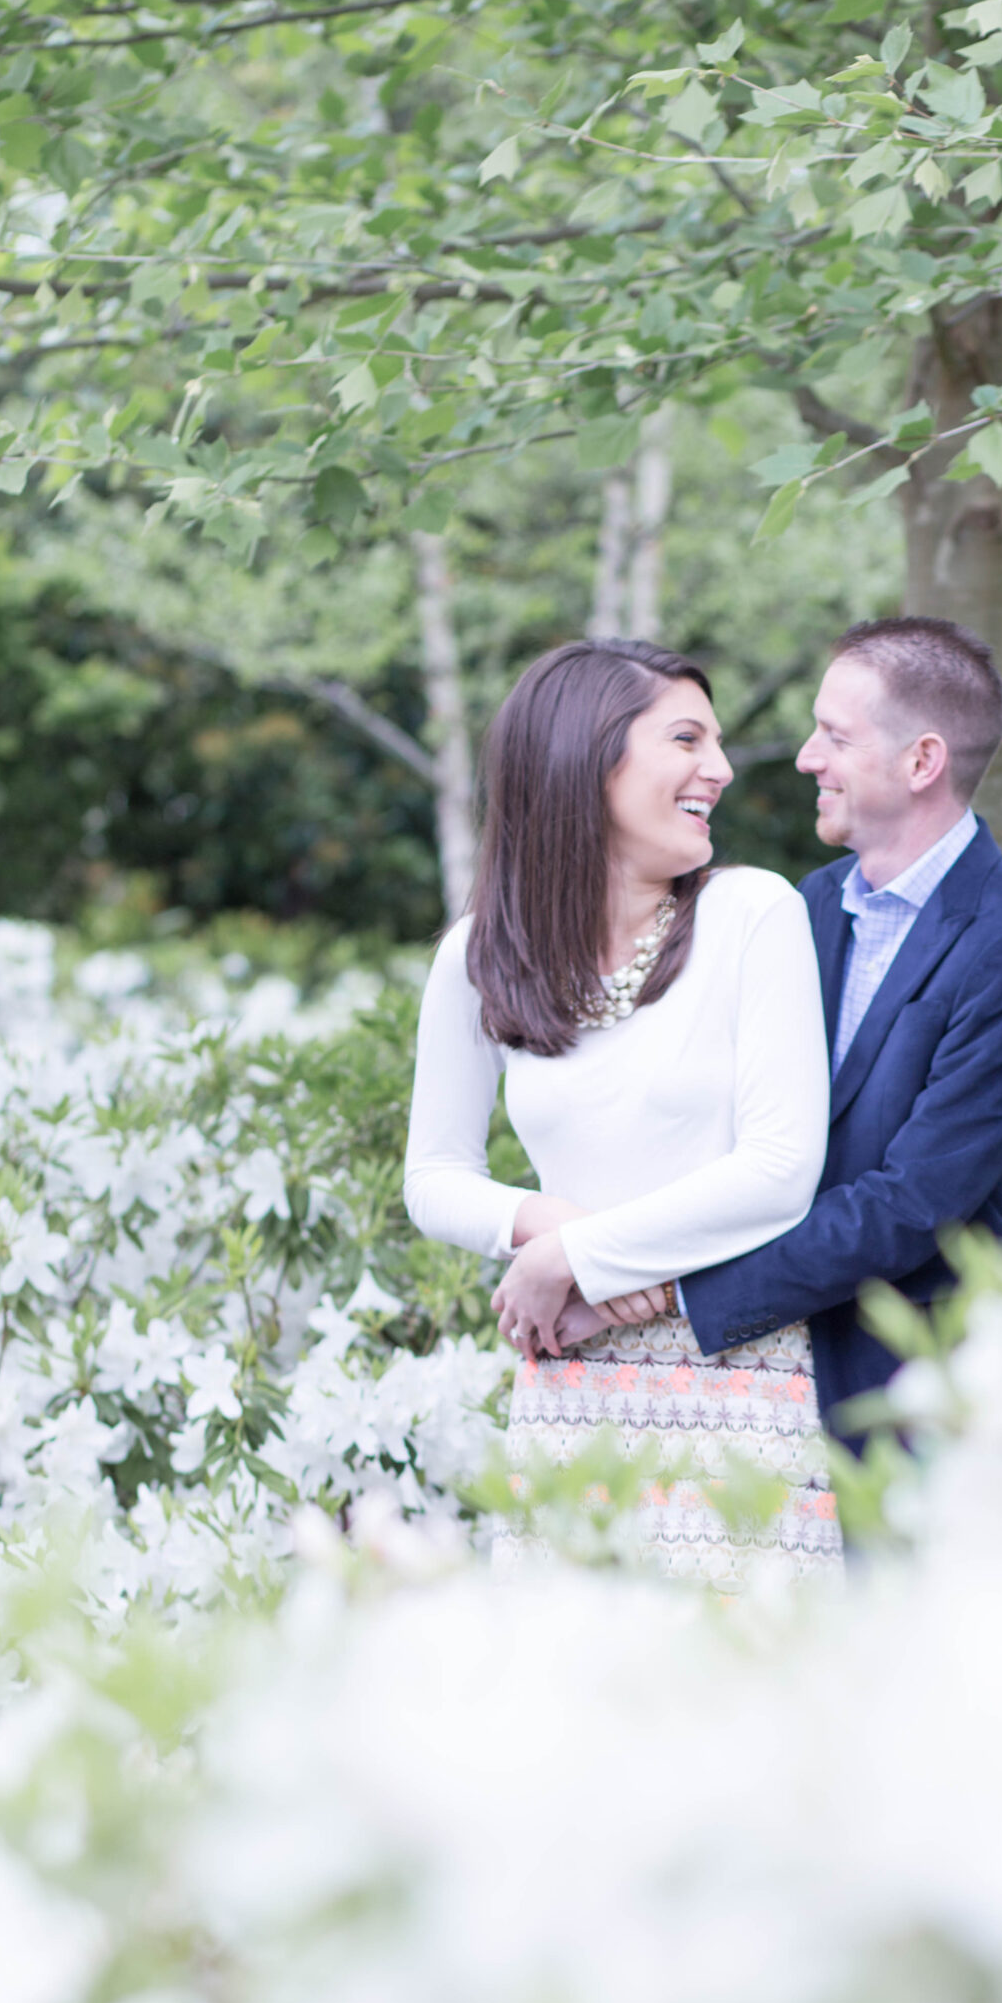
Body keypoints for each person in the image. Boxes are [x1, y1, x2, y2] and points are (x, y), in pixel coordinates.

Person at [555, 616, 1002, 1445]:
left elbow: (914, 1205)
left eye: (834, 735)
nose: (805, 757)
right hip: (757, 1379)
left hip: (917, 1393)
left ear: (922, 762)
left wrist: (663, 1294)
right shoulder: (801, 908)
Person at [402, 638, 841, 1585]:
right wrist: (546, 1227)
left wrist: (575, 1260)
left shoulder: (751, 915)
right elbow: (433, 1179)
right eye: (686, 739)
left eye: (716, 744)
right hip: (570, 1389)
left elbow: (780, 1172)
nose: (718, 770)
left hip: (738, 1382)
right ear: (586, 754)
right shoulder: (480, 955)